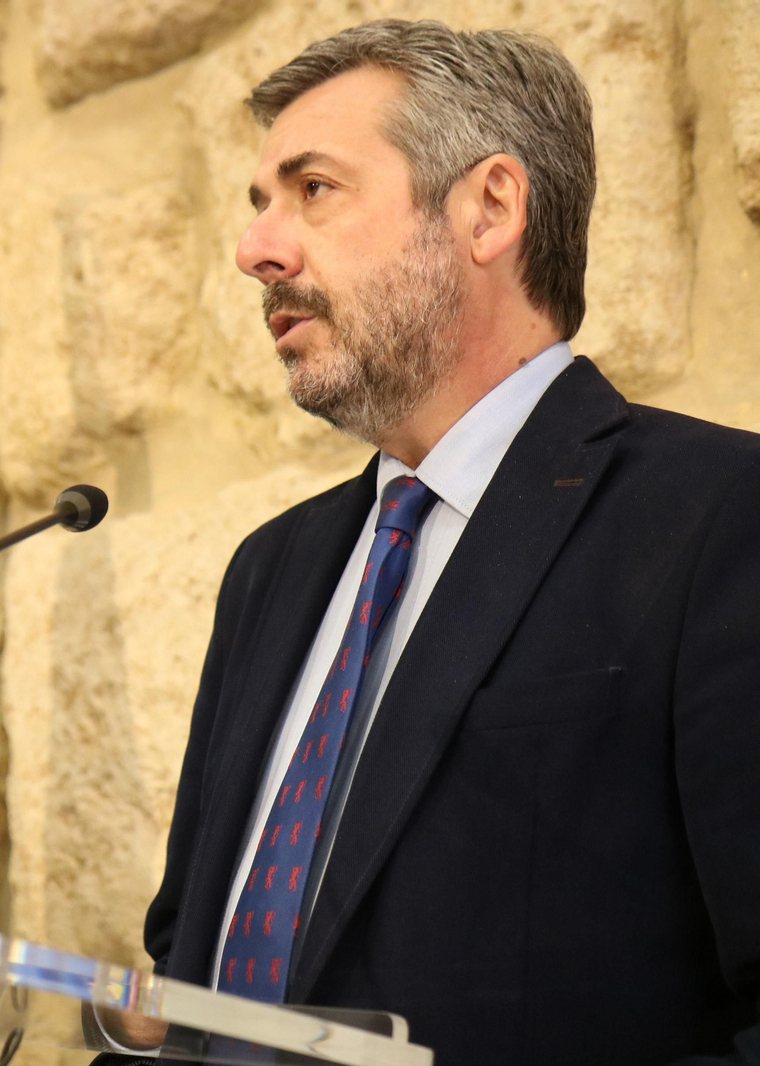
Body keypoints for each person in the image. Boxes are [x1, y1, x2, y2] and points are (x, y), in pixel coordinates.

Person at [96, 19, 760, 1066]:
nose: (255, 249)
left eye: (312, 189)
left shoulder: (719, 516)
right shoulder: (269, 573)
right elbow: (193, 973)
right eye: (259, 204)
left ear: (488, 208)